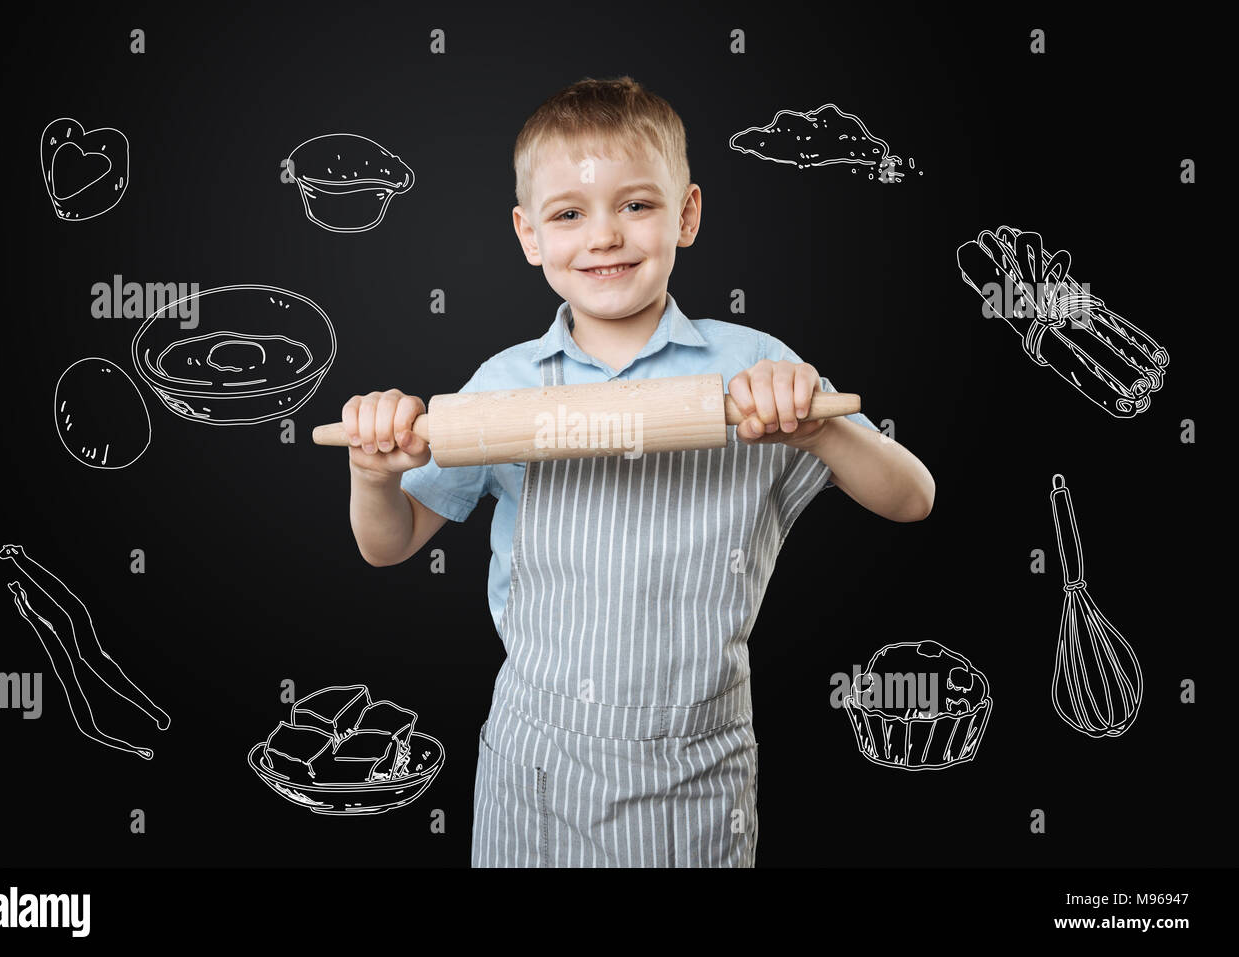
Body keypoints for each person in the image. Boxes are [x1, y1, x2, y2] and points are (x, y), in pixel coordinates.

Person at [338, 76, 935, 866]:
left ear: (686, 213)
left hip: (693, 765)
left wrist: (818, 427)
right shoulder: (502, 385)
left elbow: (912, 499)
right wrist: (373, 473)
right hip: (535, 761)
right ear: (529, 235)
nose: (604, 235)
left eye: (637, 205)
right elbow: (389, 545)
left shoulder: (755, 368)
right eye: (569, 214)